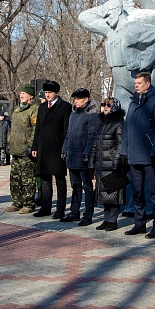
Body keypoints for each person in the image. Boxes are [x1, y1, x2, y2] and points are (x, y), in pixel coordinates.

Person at [121, 72, 155, 238]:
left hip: (150, 157)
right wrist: (124, 151)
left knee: (154, 193)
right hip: (134, 157)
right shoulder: (133, 104)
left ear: (148, 84)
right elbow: (127, 129)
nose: (136, 85)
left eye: (140, 83)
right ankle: (139, 224)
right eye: (135, 83)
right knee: (137, 192)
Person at [32, 81, 72, 219]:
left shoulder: (65, 107)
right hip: (43, 148)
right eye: (46, 93)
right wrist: (35, 147)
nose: (47, 95)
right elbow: (38, 129)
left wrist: (64, 148)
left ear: (56, 93)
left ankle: (60, 209)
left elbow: (67, 129)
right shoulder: (42, 107)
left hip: (57, 148)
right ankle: (45, 207)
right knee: (44, 179)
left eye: (50, 92)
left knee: (60, 179)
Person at [61, 88, 100, 226]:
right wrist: (64, 149)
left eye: (78, 99)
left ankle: (88, 215)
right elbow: (68, 134)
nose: (76, 101)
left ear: (86, 99)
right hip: (72, 156)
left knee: (87, 187)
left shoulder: (92, 116)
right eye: (75, 99)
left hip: (84, 158)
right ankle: (74, 212)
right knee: (75, 185)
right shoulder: (73, 115)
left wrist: (87, 154)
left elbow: (92, 137)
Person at [92, 97, 126, 231]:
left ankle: (113, 220)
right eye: (104, 104)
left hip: (113, 164)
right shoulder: (101, 123)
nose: (105, 107)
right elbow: (95, 144)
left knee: (113, 193)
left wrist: (116, 161)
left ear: (115, 107)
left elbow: (120, 143)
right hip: (101, 164)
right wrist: (91, 162)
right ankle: (106, 219)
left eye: (108, 105)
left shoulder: (118, 123)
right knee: (104, 194)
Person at [7, 84, 39, 214]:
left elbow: (35, 129)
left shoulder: (33, 109)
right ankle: (17, 202)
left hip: (26, 151)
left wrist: (31, 146)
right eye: (20, 93)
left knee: (27, 179)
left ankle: (29, 203)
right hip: (15, 150)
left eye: (24, 93)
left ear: (30, 96)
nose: (21, 95)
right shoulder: (16, 110)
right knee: (15, 179)